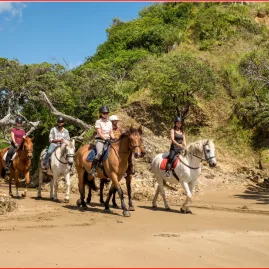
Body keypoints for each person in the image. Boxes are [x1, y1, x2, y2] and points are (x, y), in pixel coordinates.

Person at [89, 106, 115, 176]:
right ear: (101, 114)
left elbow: (111, 132)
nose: (105, 114)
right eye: (104, 113)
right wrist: (106, 139)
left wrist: (113, 138)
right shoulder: (98, 122)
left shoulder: (109, 122)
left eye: (107, 113)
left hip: (108, 140)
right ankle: (93, 169)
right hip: (100, 140)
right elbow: (100, 133)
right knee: (99, 153)